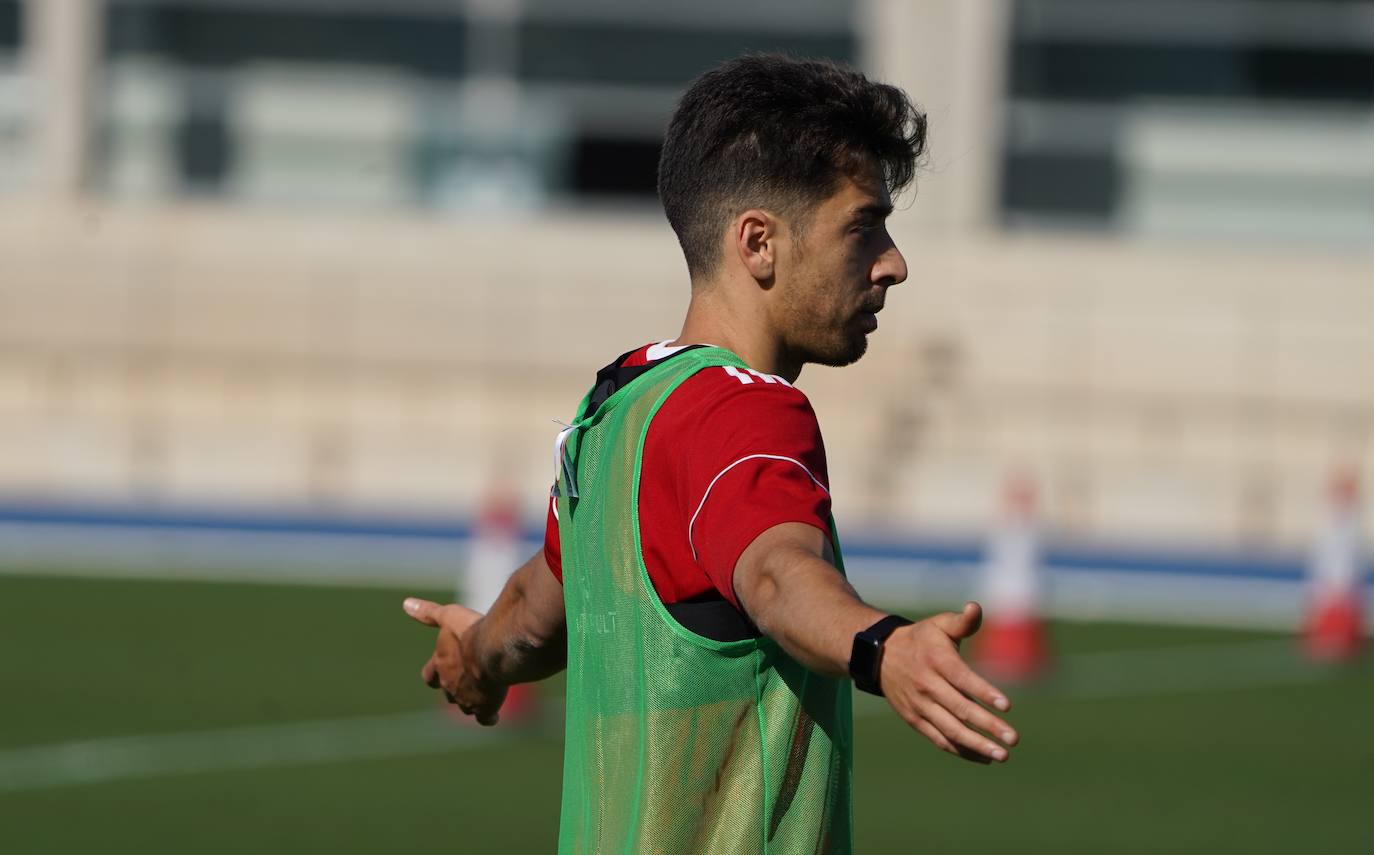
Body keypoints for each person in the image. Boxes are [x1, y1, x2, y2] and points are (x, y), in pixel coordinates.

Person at [404, 53, 1019, 853]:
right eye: (863, 225)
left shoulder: (616, 405)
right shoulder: (751, 410)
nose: (893, 263)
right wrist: (879, 645)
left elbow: (533, 612)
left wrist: (479, 656)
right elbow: (775, 573)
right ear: (758, 242)